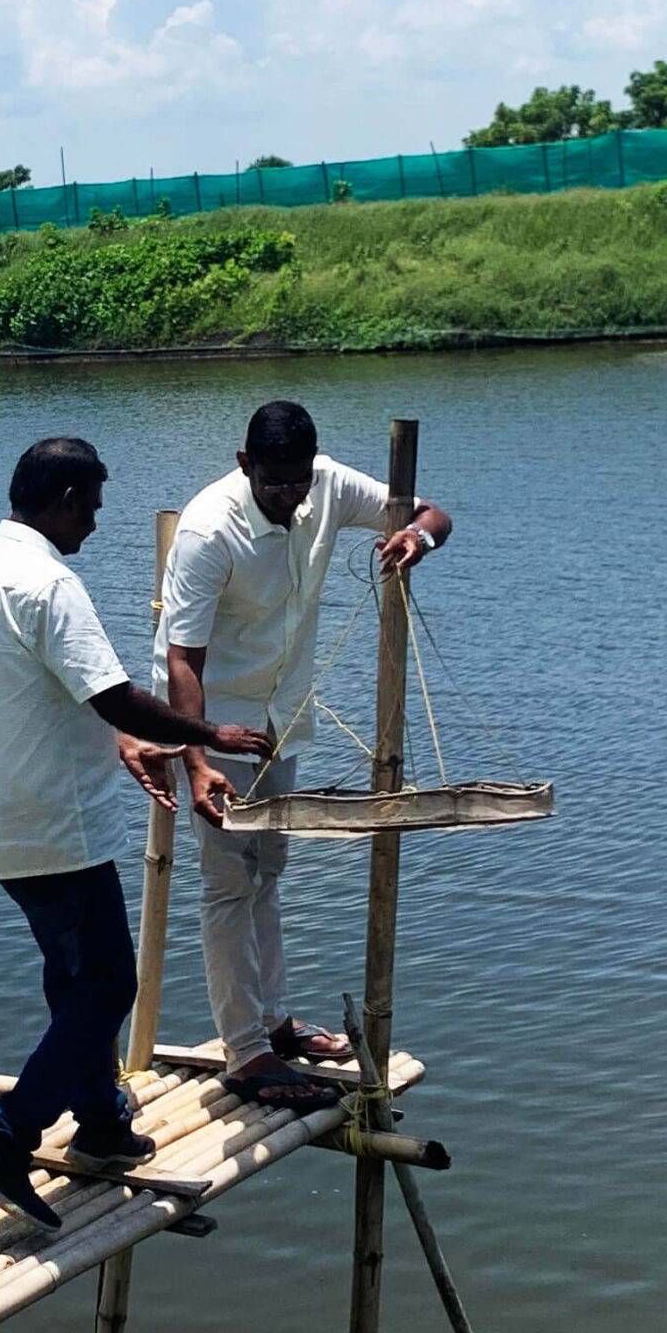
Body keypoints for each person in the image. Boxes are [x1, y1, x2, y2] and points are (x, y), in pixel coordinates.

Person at [0, 435, 274, 1231]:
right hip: (56, 820)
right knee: (105, 986)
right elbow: (118, 696)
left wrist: (122, 735)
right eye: (90, 504)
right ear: (61, 500)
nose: (93, 521)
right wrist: (208, 735)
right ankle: (8, 1138)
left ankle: (98, 1122)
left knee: (74, 977)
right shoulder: (49, 583)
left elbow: (46, 692)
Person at [155, 399, 451, 1106]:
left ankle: (274, 1020)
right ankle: (247, 1050)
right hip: (212, 719)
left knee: (268, 872)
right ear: (243, 464)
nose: (289, 498)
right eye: (274, 485)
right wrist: (196, 762)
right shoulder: (207, 530)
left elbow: (431, 512)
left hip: (279, 716)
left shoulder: (325, 484)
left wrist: (418, 538)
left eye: (298, 485)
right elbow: (181, 663)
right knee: (228, 881)